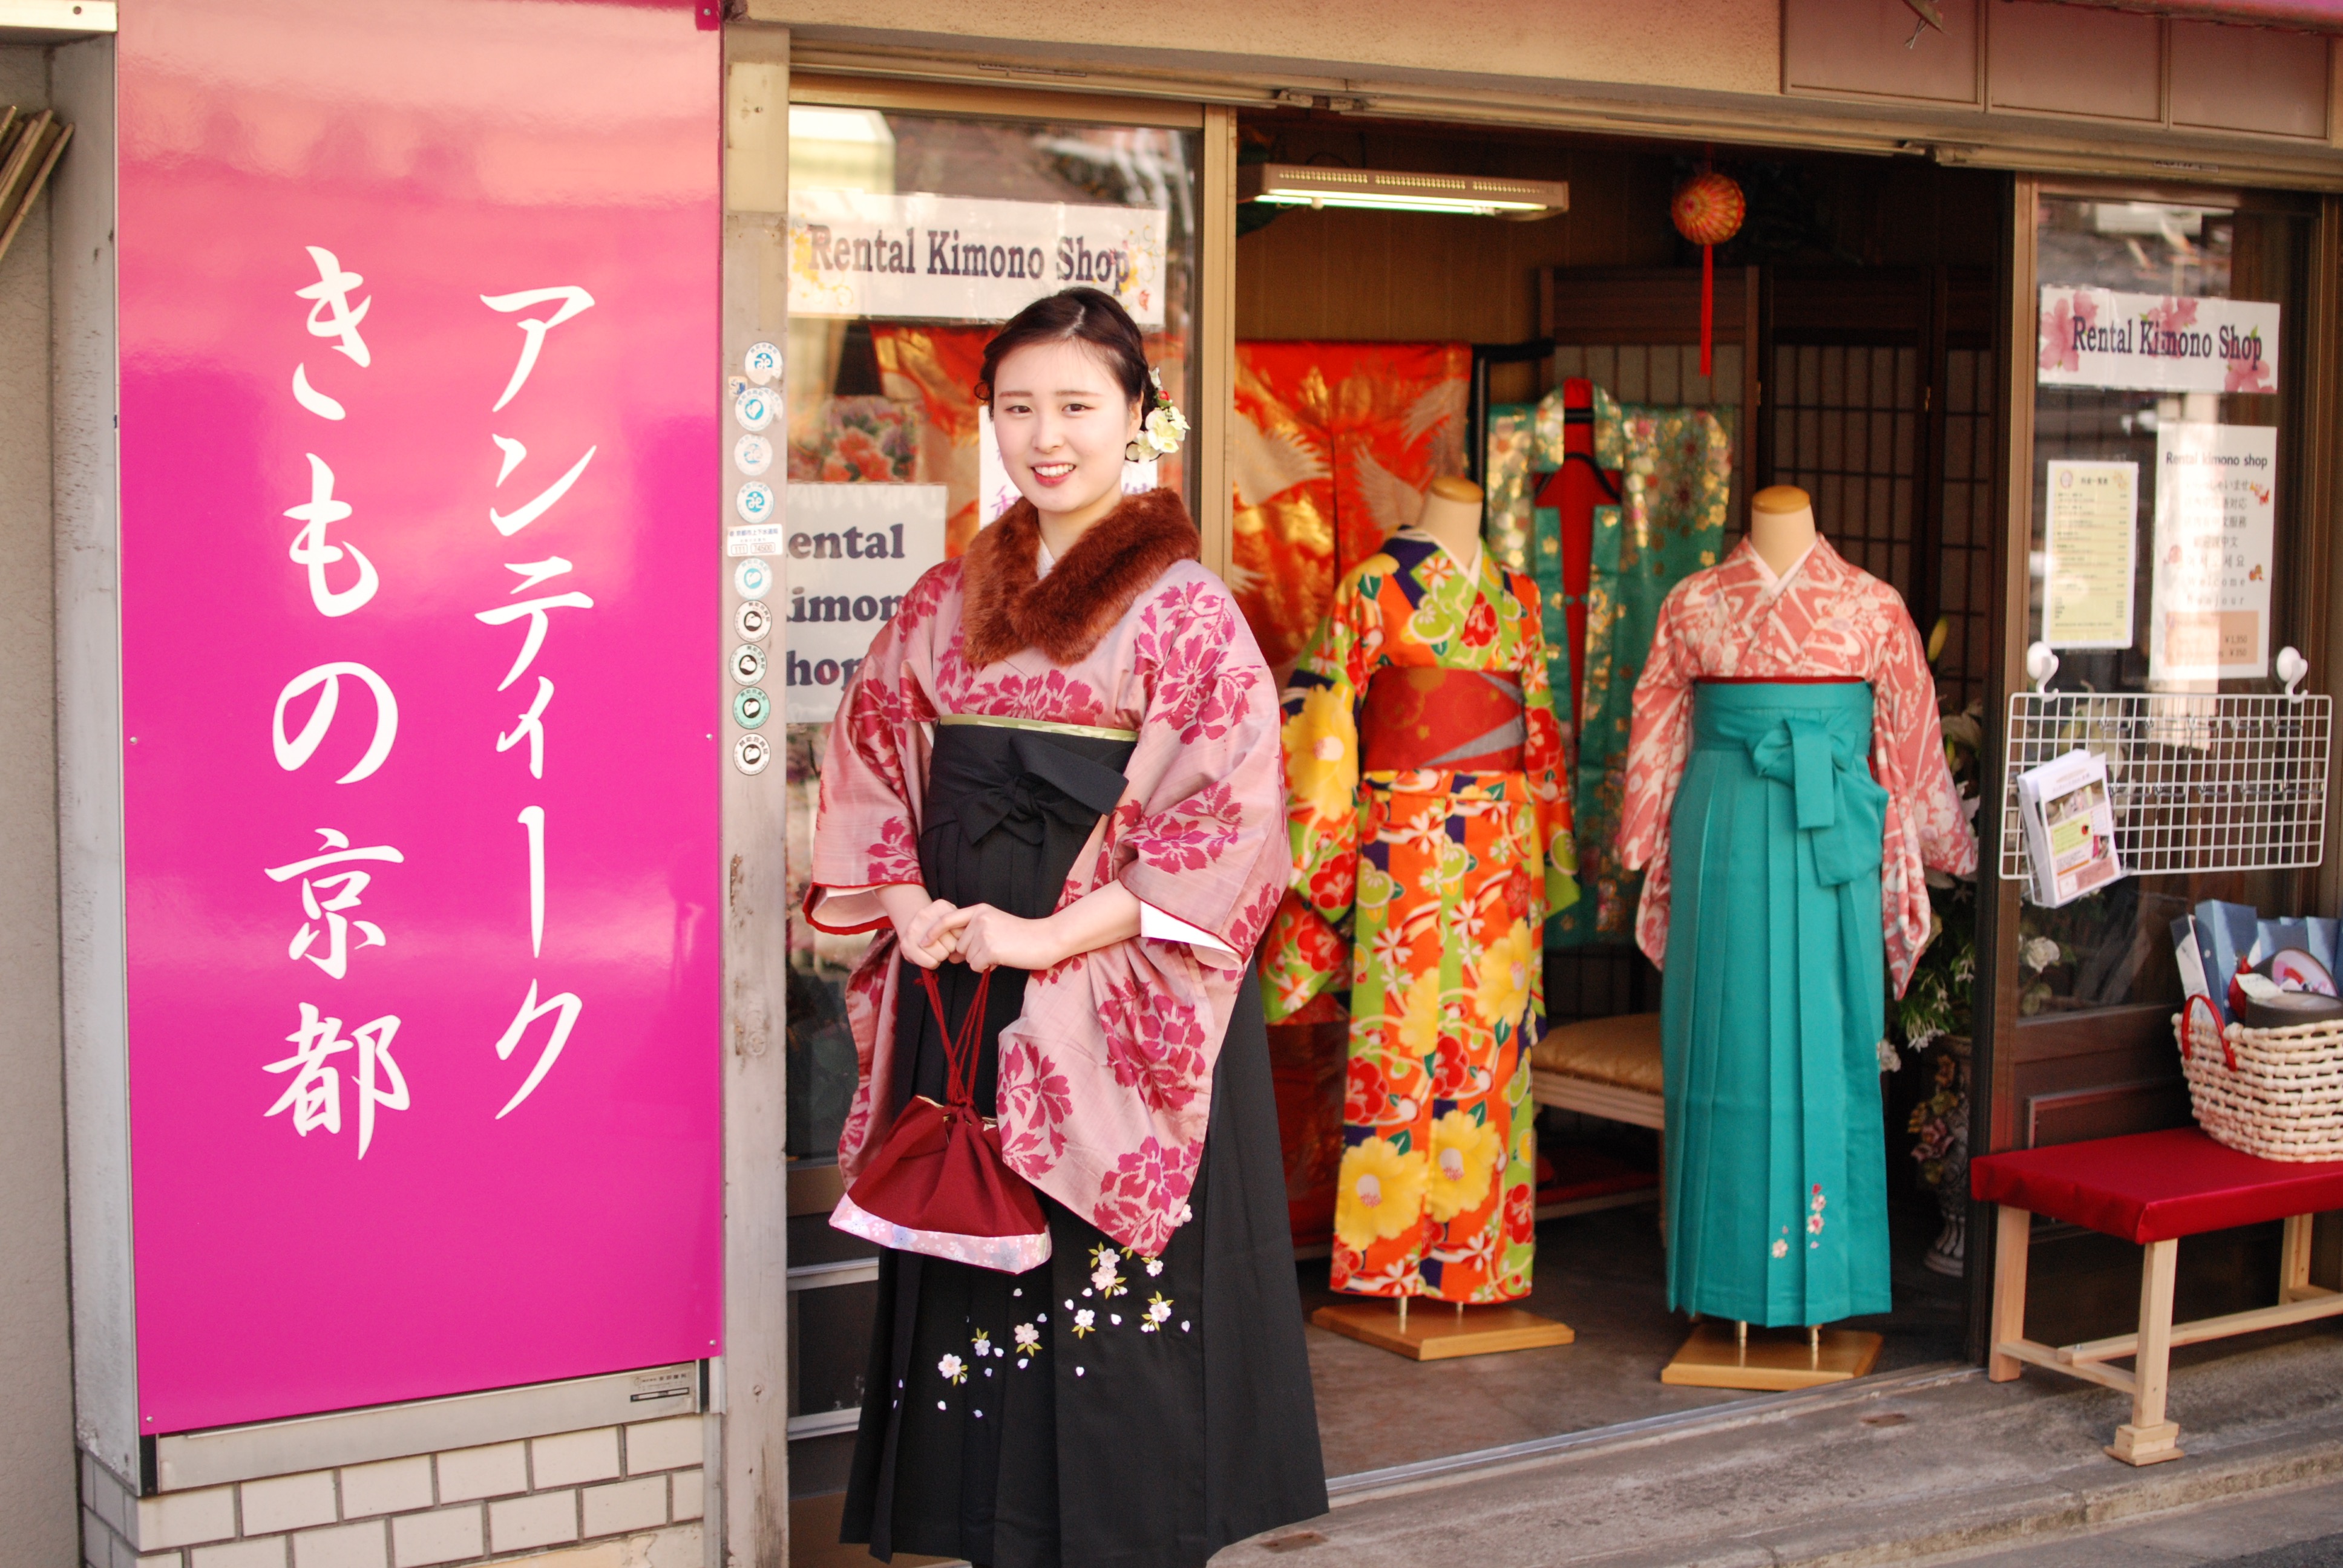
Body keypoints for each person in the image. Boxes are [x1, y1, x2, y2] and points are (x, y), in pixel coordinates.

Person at [805, 286, 1328, 1568]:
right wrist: (915, 907)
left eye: (1079, 407)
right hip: (966, 985)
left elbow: (1230, 826)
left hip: (1107, 979)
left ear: (1140, 419)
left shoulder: (1189, 610)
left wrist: (1046, 940)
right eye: (1018, 407)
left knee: (1111, 1290)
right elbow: (871, 751)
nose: (1047, 437)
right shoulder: (947, 596)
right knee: (974, 1240)